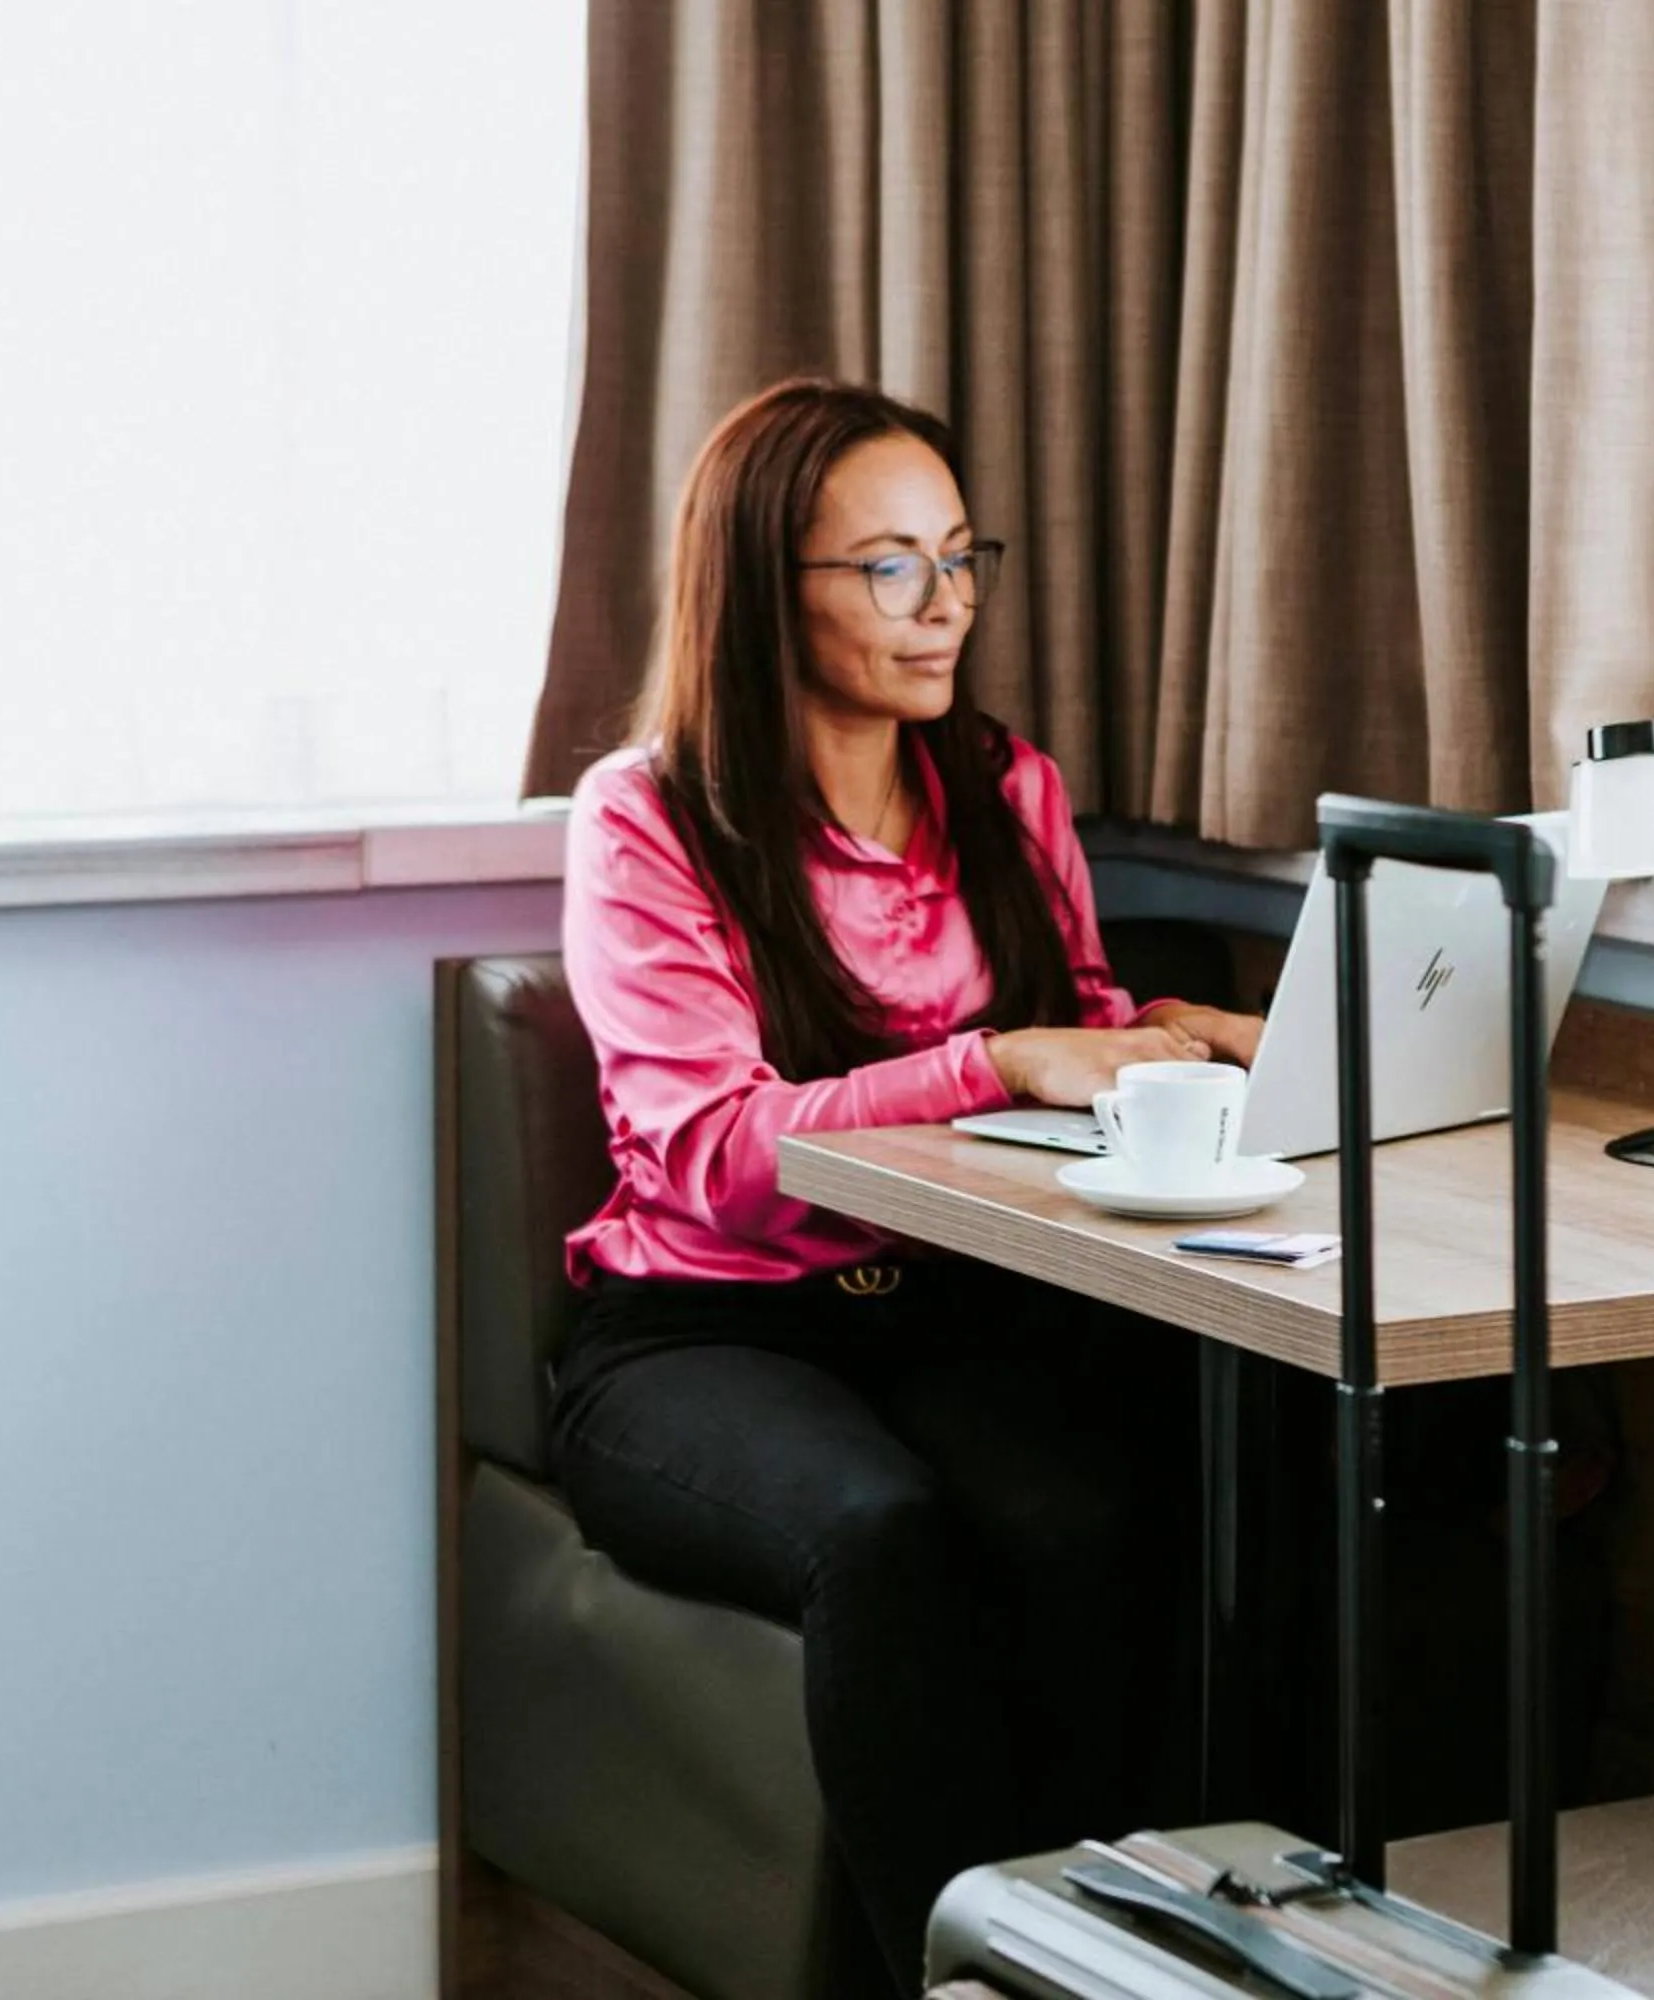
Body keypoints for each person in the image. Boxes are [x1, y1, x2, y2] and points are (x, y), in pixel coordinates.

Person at [544, 376, 1266, 1990]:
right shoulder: (649, 817)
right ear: (762, 588)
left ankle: (1115, 1963)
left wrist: (1173, 1036)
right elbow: (717, 1157)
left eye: (959, 556)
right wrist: (999, 1061)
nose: (946, 606)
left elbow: (1068, 1022)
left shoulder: (1007, 789)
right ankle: (948, 1980)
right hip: (698, 1332)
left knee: (1105, 1508)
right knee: (882, 1534)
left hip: (949, 1312)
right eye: (889, 568)